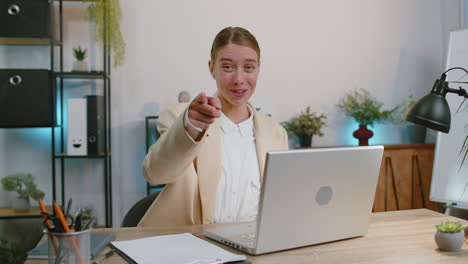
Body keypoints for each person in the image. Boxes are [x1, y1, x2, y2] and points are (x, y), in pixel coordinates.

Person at [139, 27, 288, 227]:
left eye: (249, 67)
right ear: (212, 68)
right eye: (227, 67)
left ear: (258, 69)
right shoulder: (181, 117)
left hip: (253, 246)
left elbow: (279, 202)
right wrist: (190, 128)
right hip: (192, 245)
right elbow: (155, 174)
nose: (238, 79)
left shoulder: (276, 132)